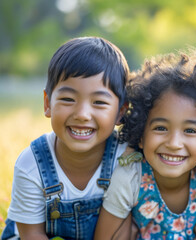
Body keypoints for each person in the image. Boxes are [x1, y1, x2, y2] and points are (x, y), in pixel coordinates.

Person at [1, 37, 130, 240]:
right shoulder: (32, 164)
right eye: (68, 99)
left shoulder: (126, 157)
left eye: (99, 102)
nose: (82, 114)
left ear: (120, 112)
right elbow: (31, 234)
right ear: (47, 104)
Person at [94, 55, 196, 239]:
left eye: (189, 130)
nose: (174, 143)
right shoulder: (129, 180)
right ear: (141, 135)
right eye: (160, 128)